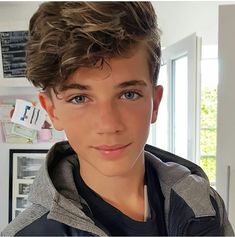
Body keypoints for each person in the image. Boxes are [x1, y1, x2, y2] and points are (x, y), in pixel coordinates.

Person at [1, 2, 234, 236]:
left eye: (128, 94)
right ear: (52, 111)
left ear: (155, 103)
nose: (108, 125)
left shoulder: (204, 205)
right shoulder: (29, 233)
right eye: (80, 98)